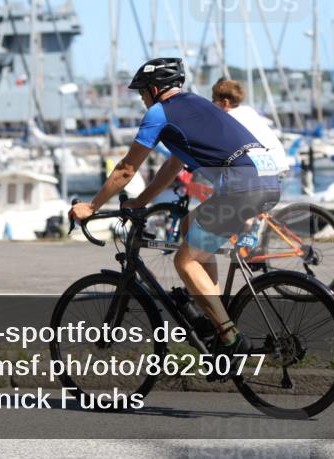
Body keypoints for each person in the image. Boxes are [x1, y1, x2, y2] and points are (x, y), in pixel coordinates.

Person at [69, 58, 281, 359]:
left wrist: (91, 206)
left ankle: (229, 337)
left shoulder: (159, 113)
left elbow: (127, 169)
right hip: (267, 181)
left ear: (155, 89)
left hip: (241, 189)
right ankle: (215, 314)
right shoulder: (195, 104)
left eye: (142, 92)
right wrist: (141, 202)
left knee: (185, 262)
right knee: (189, 227)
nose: (142, 99)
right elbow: (173, 164)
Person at [211, 78, 291, 175]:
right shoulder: (248, 111)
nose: (211, 104)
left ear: (225, 103)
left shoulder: (228, 118)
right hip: (278, 164)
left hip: (258, 170)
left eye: (214, 100)